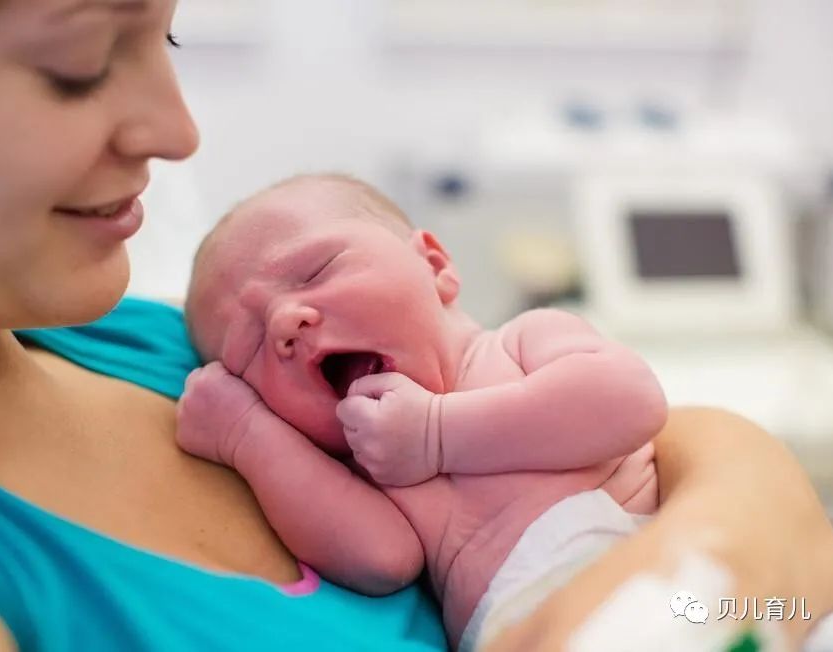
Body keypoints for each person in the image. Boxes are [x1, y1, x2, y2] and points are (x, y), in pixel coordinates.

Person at [0, 2, 833, 651]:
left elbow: (654, 421)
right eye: (75, 64)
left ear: (437, 261)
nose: (179, 129)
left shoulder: (140, 338)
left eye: (169, 37)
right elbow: (380, 554)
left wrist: (710, 554)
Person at [178, 173, 668, 650]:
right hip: (527, 630)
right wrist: (248, 434)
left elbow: (630, 400)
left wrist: (436, 434)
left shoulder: (519, 343)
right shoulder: (369, 468)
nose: (286, 321)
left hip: (665, 580)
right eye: (250, 346)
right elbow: (381, 561)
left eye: (317, 272)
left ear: (434, 265)